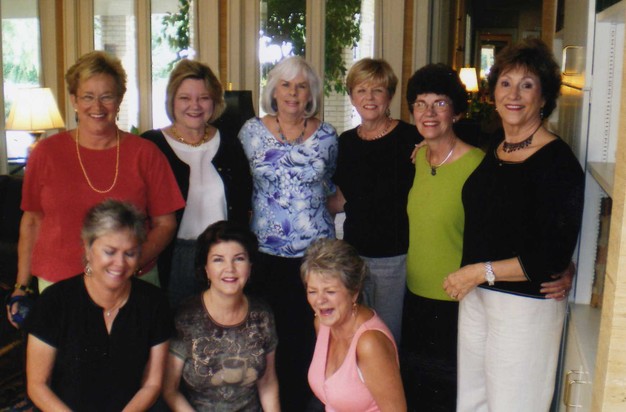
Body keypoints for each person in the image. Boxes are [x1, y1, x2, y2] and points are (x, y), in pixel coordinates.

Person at [443, 38, 584, 411]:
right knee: (472, 403)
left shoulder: (558, 162)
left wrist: (480, 271)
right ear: (493, 93)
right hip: (478, 296)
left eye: (527, 84)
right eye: (506, 83)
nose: (514, 94)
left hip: (523, 306)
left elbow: (552, 254)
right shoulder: (496, 147)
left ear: (544, 96)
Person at [7, 51, 184, 326]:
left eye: (107, 96)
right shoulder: (46, 153)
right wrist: (21, 286)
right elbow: (32, 221)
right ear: (74, 100)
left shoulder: (146, 153)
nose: (97, 106)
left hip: (131, 282)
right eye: (88, 96)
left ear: (119, 99)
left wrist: (129, 264)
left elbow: (166, 224)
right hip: (58, 283)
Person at [238, 55, 338, 411]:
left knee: (310, 335)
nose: (293, 93)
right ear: (274, 91)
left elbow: (333, 187)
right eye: (286, 85)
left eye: (301, 86)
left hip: (317, 256)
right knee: (269, 336)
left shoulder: (327, 135)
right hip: (266, 254)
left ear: (311, 94)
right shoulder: (250, 132)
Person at [25, 199, 172, 411]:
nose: (120, 263)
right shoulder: (54, 301)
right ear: (88, 247)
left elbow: (152, 383)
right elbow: (37, 385)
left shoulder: (153, 302)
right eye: (110, 252)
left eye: (130, 253)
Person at [142, 59, 252, 307]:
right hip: (174, 258)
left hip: (224, 258)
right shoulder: (151, 145)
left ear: (214, 102)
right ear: (172, 101)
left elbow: (244, 205)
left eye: (203, 98)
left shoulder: (230, 143)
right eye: (185, 98)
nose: (195, 106)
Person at [327, 58, 422, 343]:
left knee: (386, 337)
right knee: (354, 334)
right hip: (353, 256)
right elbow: (342, 197)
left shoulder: (412, 138)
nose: (369, 98)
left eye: (377, 90)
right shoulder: (345, 142)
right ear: (352, 97)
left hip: (394, 257)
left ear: (389, 96)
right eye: (361, 90)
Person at [163, 220, 279, 411]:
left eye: (239, 259)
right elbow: (170, 389)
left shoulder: (262, 314)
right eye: (218, 259)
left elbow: (267, 381)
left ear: (250, 266)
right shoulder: (185, 317)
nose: (230, 268)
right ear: (206, 269)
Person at [302, 238, 406, 412]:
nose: (319, 301)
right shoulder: (322, 323)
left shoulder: (369, 343)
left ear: (354, 292)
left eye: (330, 291)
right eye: (312, 291)